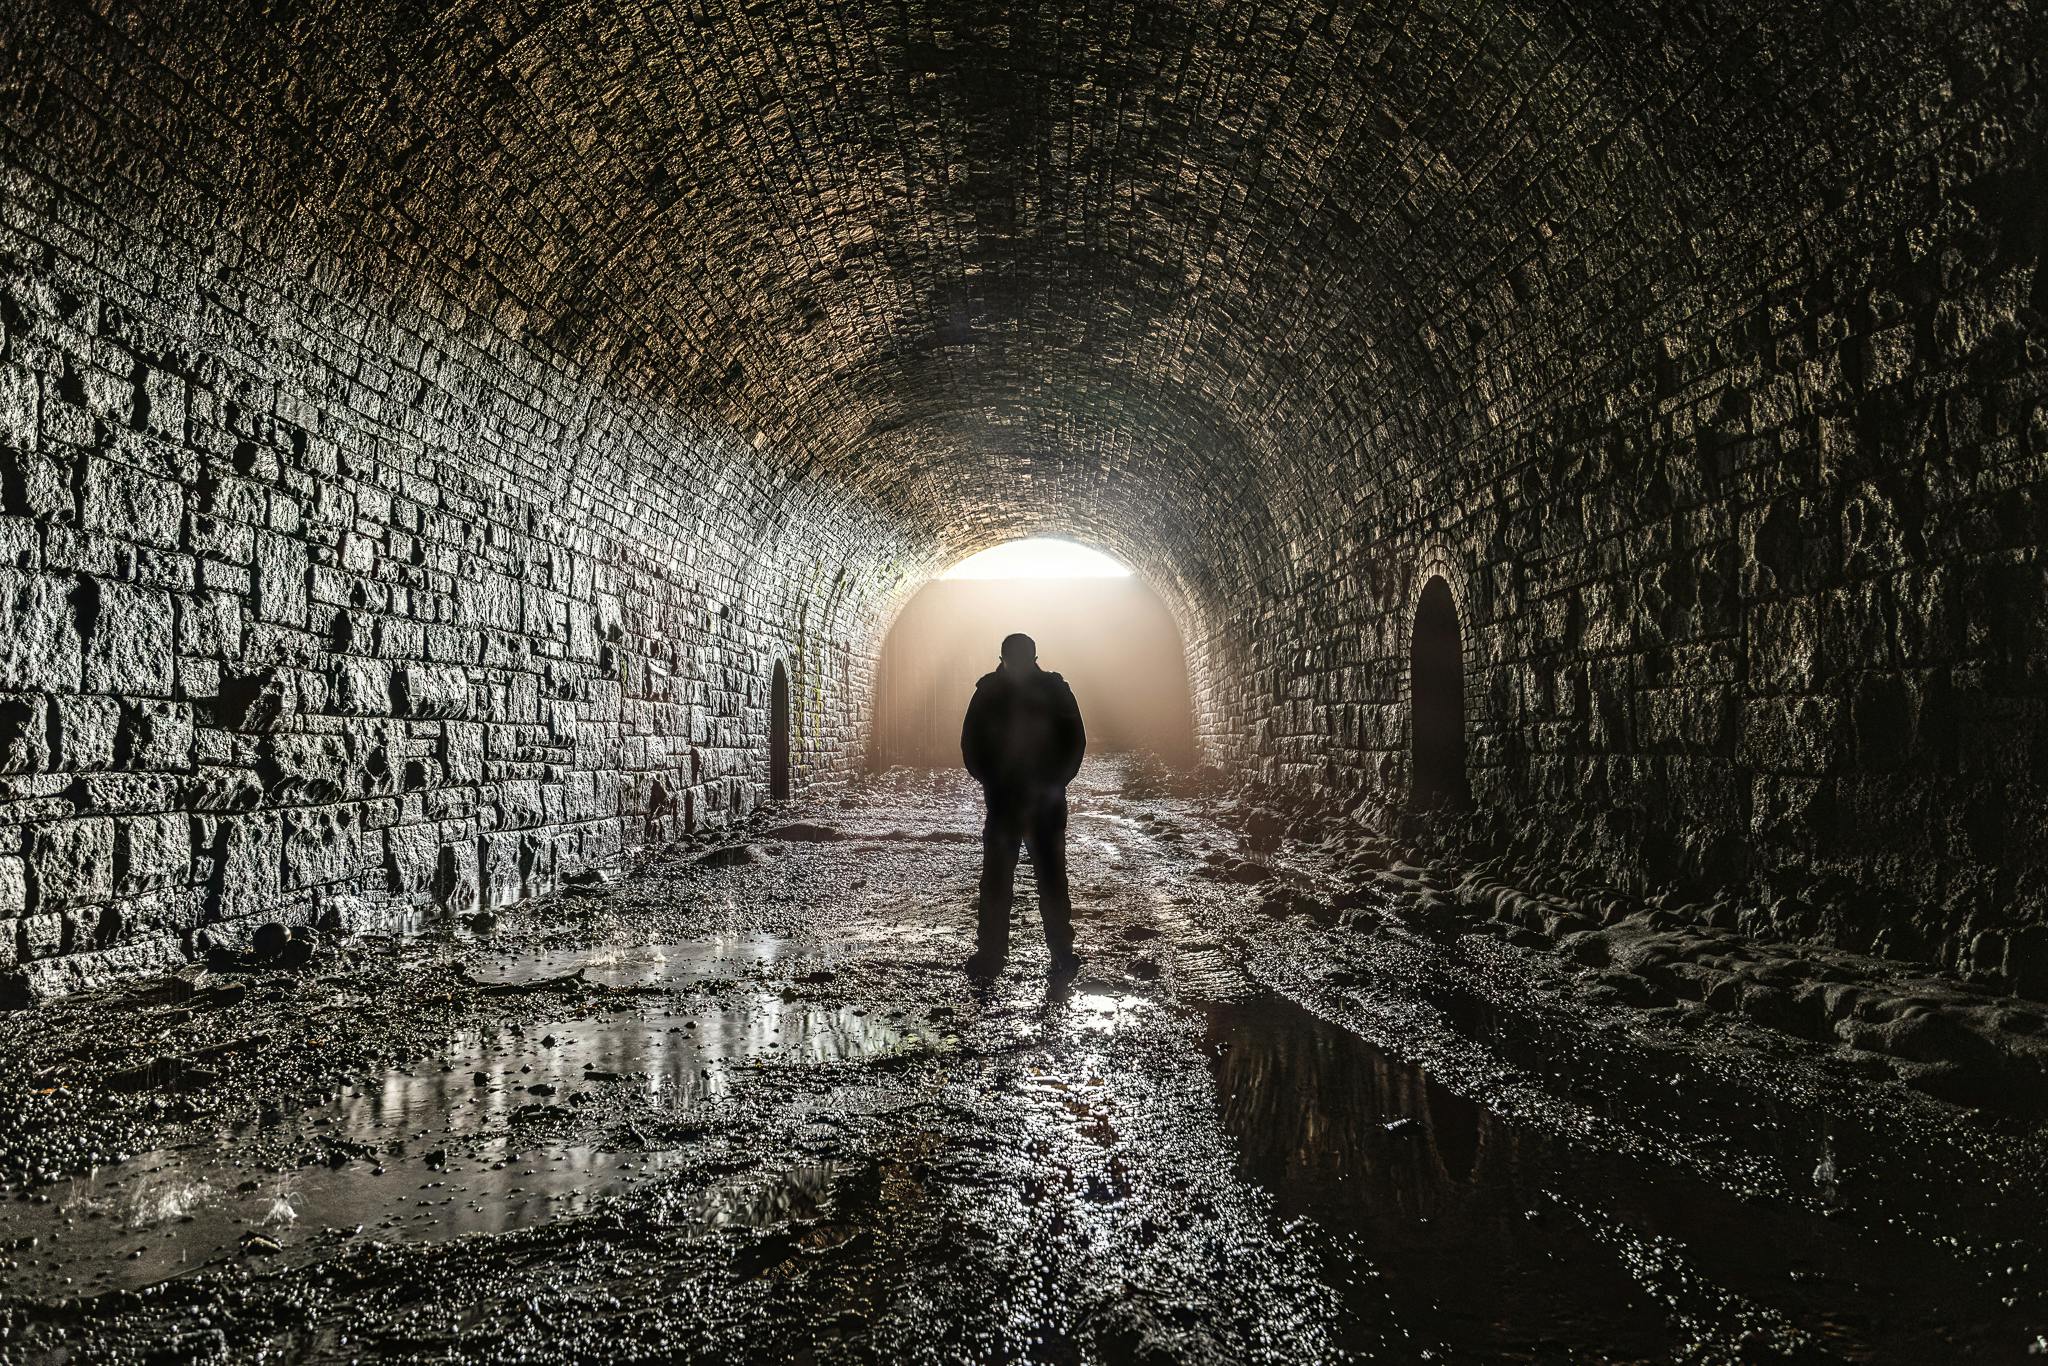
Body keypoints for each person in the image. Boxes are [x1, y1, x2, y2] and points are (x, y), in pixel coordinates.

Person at [960, 633, 1085, 979]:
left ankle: (1002, 953)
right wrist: (1053, 783)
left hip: (1018, 801)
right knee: (1032, 878)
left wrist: (997, 781)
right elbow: (1075, 741)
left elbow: (971, 744)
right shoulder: (1053, 692)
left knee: (1019, 877)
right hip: (1027, 801)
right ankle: (1049, 951)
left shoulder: (990, 692)